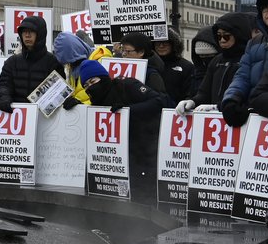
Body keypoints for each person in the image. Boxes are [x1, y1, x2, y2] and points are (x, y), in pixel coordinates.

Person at [77, 57, 166, 198]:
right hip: (120, 159)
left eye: (93, 81)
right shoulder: (96, 101)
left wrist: (128, 110)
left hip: (146, 150)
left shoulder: (127, 85)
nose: (91, 87)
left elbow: (159, 101)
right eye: (86, 85)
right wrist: (76, 107)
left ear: (104, 78)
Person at [181, 11, 253, 111]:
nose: (222, 40)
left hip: (238, 115)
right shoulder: (216, 61)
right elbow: (204, 93)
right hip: (216, 119)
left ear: (238, 35)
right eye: (219, 36)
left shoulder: (249, 59)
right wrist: (192, 102)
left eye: (226, 36)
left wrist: (218, 107)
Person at [0, 15, 57, 109]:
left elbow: (58, 91)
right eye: (24, 32)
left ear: (40, 34)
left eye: (31, 31)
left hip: (44, 118)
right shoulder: (12, 62)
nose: (27, 35)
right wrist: (4, 97)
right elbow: (4, 85)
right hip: (17, 115)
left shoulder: (52, 62)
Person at [115, 32, 173, 103]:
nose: (124, 54)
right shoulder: (117, 68)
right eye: (122, 50)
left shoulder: (151, 74)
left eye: (128, 51)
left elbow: (160, 100)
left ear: (141, 52)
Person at [153, 28, 196, 104]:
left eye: (165, 43)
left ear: (173, 45)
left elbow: (189, 92)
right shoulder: (148, 65)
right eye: (157, 42)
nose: (161, 46)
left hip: (175, 111)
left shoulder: (186, 66)